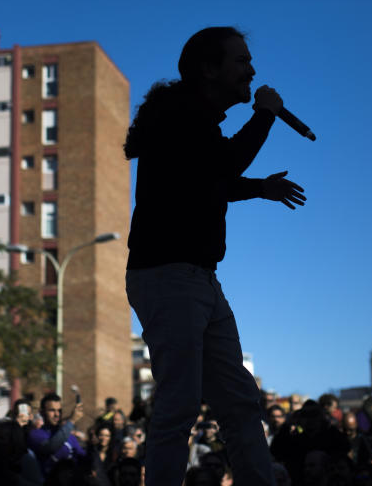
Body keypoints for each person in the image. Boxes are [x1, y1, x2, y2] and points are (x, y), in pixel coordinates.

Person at [123, 27, 306, 486]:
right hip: (168, 276)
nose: (252, 71)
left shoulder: (190, 122)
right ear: (209, 68)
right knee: (179, 403)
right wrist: (265, 114)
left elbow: (208, 179)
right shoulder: (181, 116)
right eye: (241, 61)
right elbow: (222, 166)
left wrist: (259, 188)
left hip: (198, 278)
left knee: (239, 401)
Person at [28, 392, 86, 477]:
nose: (57, 414)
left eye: (59, 410)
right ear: (41, 412)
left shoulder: (70, 437)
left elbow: (83, 458)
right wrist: (72, 421)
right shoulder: (35, 434)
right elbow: (51, 447)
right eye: (52, 410)